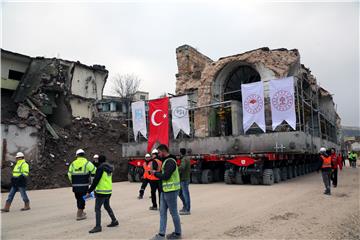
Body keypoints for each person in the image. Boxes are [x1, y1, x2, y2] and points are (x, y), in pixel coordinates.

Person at [151, 144, 182, 240]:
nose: (158, 154)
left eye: (159, 152)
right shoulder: (165, 161)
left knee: (173, 213)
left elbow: (166, 176)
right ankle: (161, 235)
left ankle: (177, 233)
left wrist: (155, 173)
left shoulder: (170, 162)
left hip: (171, 191)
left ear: (163, 151)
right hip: (164, 191)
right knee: (162, 213)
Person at [87, 155, 118, 233]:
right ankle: (114, 220)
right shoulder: (109, 168)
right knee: (107, 206)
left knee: (97, 209)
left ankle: (98, 227)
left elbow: (96, 180)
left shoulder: (100, 168)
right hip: (108, 191)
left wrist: (89, 190)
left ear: (99, 160)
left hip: (101, 191)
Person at [68, 149, 96, 220]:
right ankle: (79, 214)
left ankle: (81, 211)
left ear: (77, 155)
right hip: (84, 185)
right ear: (83, 155)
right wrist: (93, 181)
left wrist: (72, 181)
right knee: (83, 198)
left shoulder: (73, 163)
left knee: (78, 198)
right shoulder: (87, 163)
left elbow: (69, 173)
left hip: (75, 186)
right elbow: (94, 171)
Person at [178, 148, 191, 215]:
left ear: (180, 153)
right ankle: (185, 206)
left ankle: (187, 209)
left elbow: (182, 167)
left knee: (185, 194)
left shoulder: (184, 159)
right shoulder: (186, 158)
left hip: (184, 179)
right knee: (180, 193)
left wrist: (176, 169)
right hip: (184, 178)